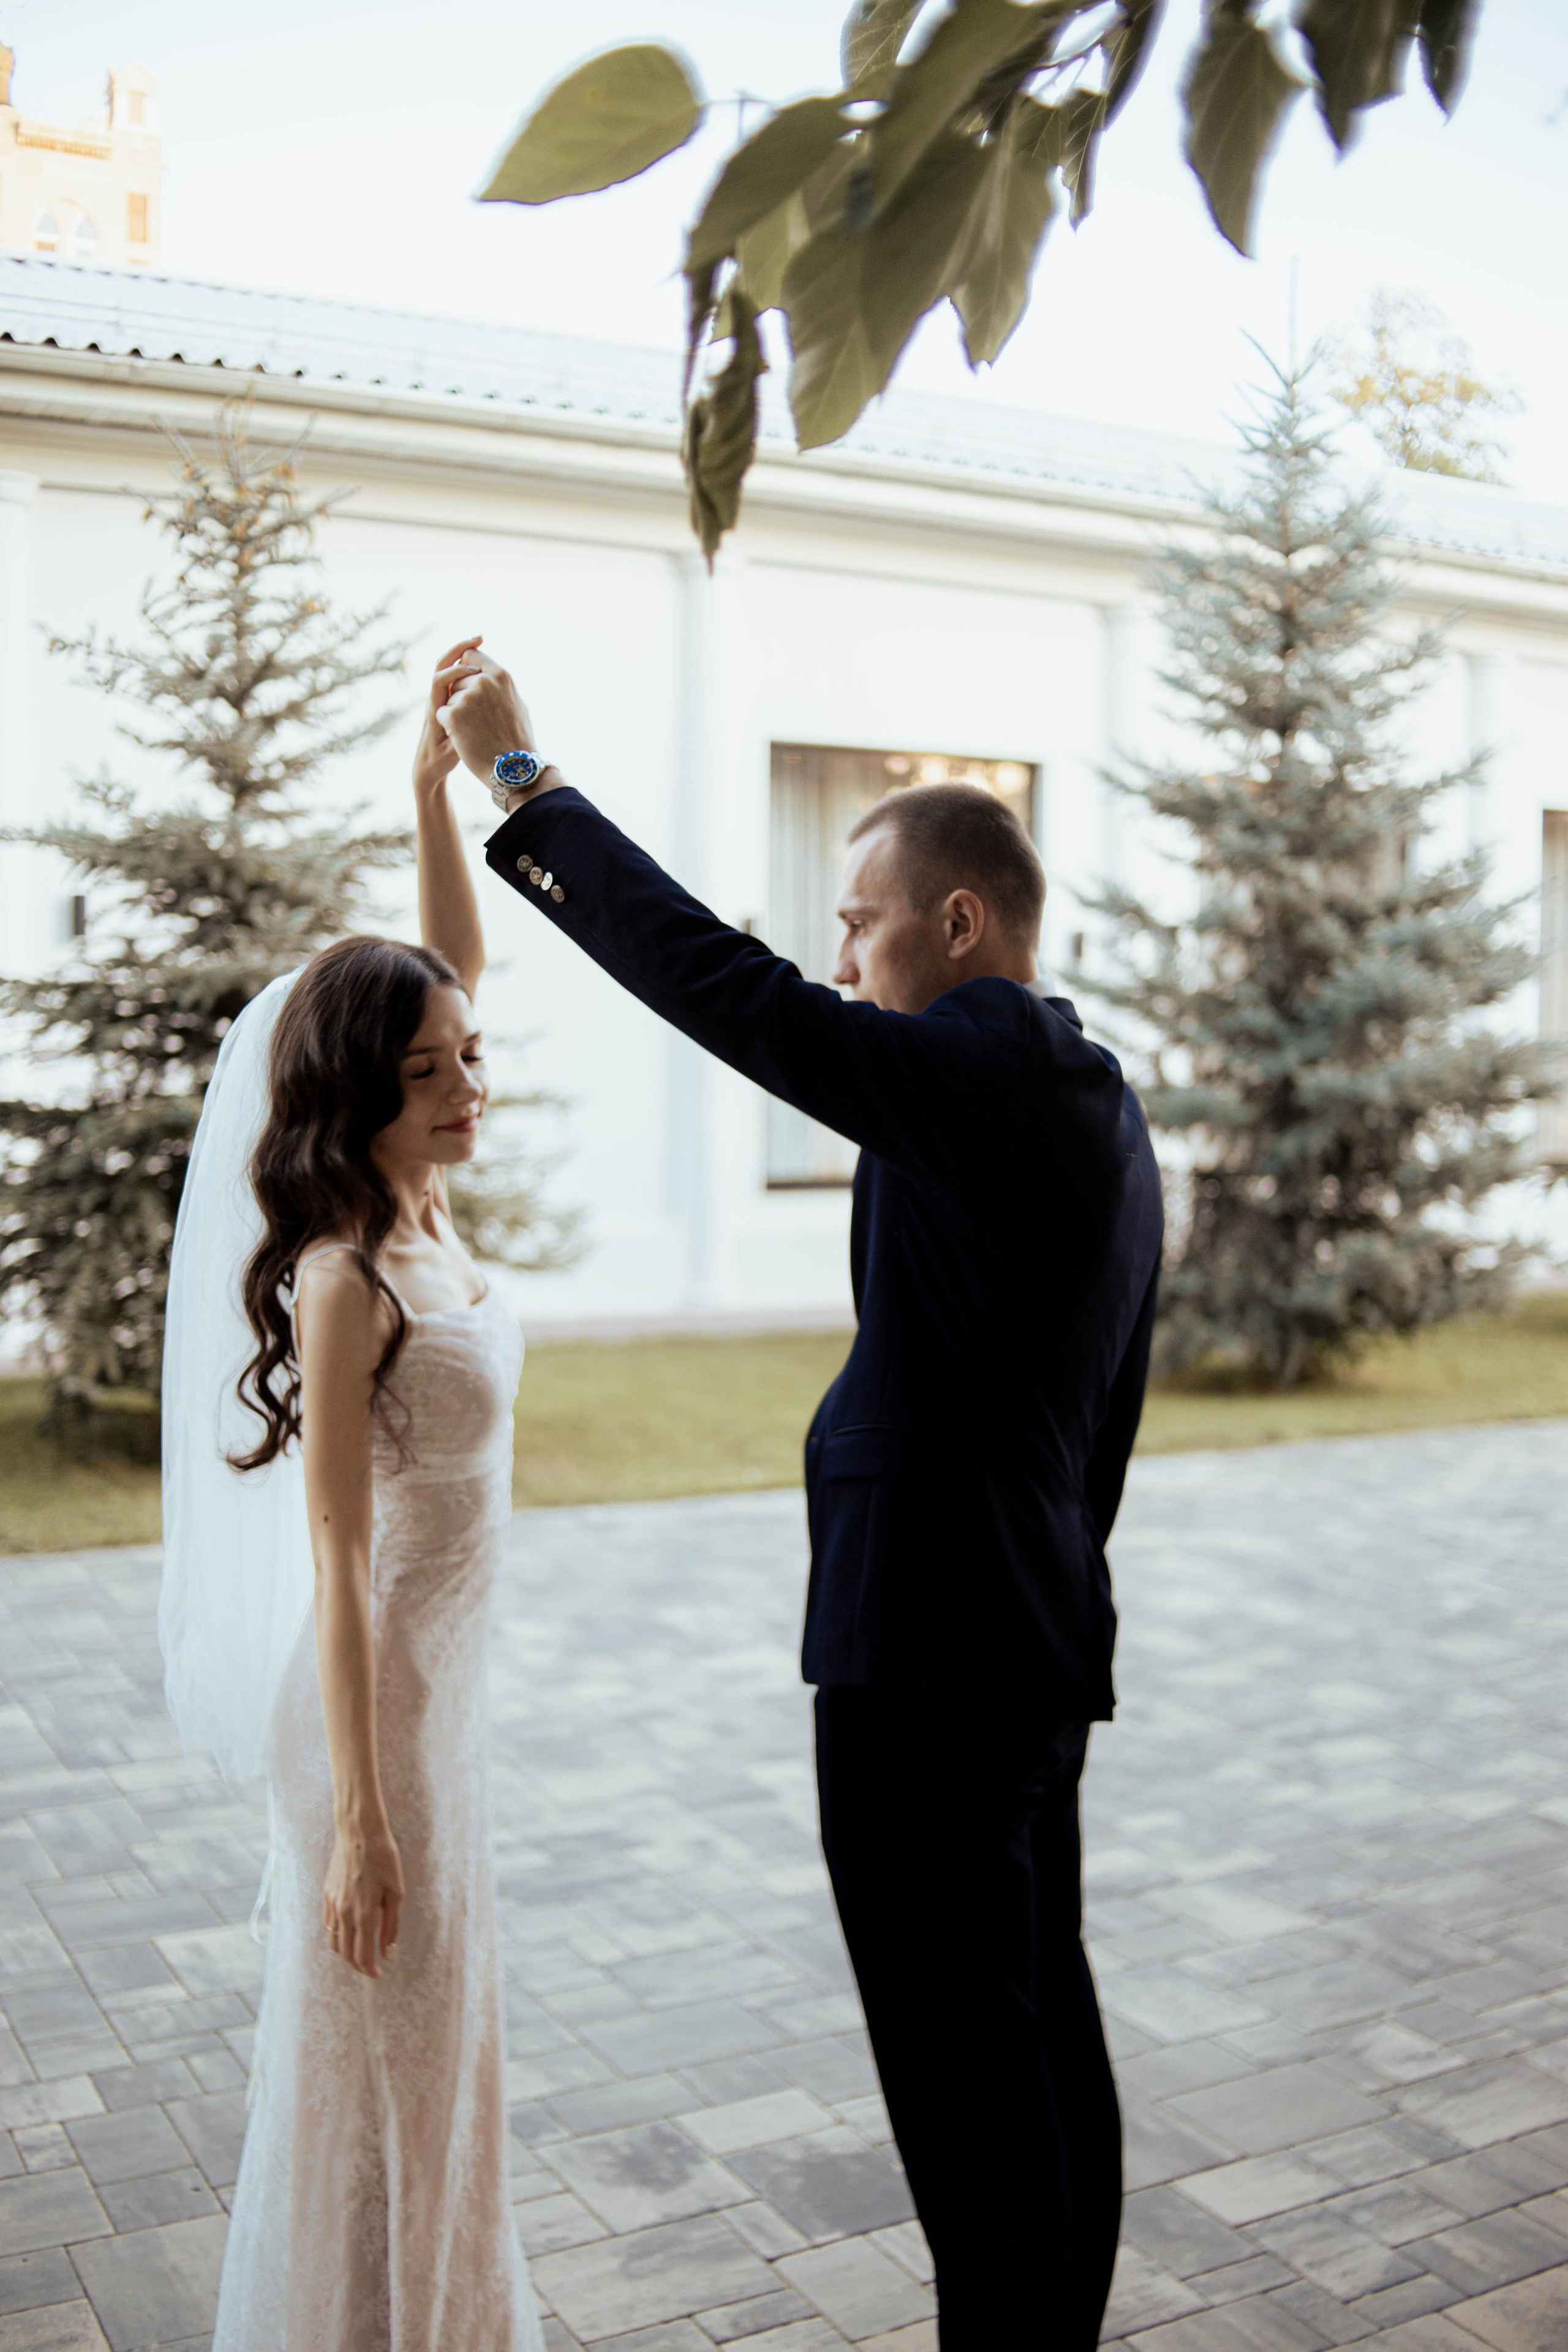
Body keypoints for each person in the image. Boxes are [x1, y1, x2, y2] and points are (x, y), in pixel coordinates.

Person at [435, 644, 1164, 2348]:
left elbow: (734, 994)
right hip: (1028, 1632)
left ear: (959, 924)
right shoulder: (1092, 1102)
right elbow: (1102, 1421)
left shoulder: (977, 1068)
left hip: (928, 1653)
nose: (840, 957)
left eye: (859, 921)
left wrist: (525, 783)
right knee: (1035, 2024)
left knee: (961, 2060)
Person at [158, 641, 545, 2352]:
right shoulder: (342, 1277)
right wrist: (362, 1824)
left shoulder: (426, 1206)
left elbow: (445, 966)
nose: (469, 1088)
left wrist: (429, 793)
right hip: (371, 1737)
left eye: (469, 1059)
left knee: (443, 2065)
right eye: (431, 1074)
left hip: (446, 1718)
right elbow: (336, 1550)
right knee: (380, 2075)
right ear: (358, 1097)